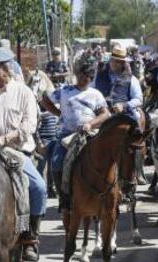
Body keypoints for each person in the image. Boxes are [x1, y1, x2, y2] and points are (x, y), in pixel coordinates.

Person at [0, 47, 47, 262]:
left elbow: (29, 125)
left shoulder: (24, 92)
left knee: (37, 187)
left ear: (8, 68)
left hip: (14, 151)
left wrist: (5, 139)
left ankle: (29, 235)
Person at [41, 64, 110, 211]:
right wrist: (59, 114)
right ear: (77, 75)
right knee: (56, 163)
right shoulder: (64, 91)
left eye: (87, 78)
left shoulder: (95, 94)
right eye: (81, 77)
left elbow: (105, 114)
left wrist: (91, 124)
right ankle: (64, 199)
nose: (83, 80)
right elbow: (45, 100)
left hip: (90, 135)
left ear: (91, 79)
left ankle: (109, 192)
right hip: (67, 135)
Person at [93, 46, 147, 184]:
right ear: (110, 60)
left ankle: (136, 171)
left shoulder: (131, 79)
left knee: (135, 139)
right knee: (87, 135)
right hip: (102, 113)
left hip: (124, 114)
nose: (116, 63)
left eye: (119, 61)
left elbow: (139, 99)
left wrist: (124, 105)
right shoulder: (98, 76)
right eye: (114, 60)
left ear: (124, 63)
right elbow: (91, 93)